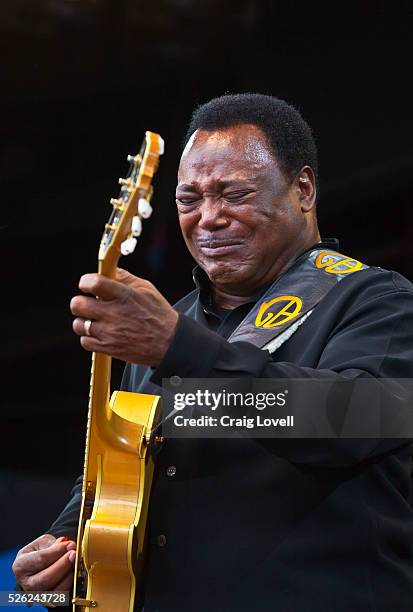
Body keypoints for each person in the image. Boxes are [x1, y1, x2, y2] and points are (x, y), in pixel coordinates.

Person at [13, 94, 413, 611]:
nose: (208, 218)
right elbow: (126, 456)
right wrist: (68, 543)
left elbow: (350, 423)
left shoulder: (379, 301)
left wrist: (178, 348)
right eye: (188, 199)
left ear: (304, 190)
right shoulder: (164, 327)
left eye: (234, 194)